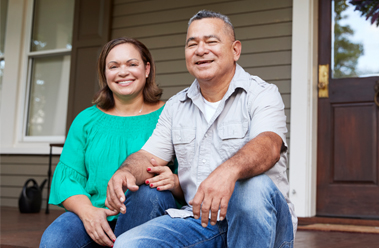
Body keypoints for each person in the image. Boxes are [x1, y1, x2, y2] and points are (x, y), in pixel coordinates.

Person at [107, 10, 297, 247]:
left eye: (211, 41)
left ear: (235, 50)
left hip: (262, 224)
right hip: (201, 222)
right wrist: (125, 171)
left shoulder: (262, 94)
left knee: (252, 186)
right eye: (192, 44)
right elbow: (148, 157)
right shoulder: (177, 106)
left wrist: (228, 171)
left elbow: (269, 144)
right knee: (129, 244)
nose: (200, 50)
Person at [40, 37, 183, 248]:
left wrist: (175, 182)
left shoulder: (172, 115)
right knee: (55, 240)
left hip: (150, 213)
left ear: (146, 69)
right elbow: (67, 180)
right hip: (97, 211)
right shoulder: (86, 120)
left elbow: (192, 179)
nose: (123, 72)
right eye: (113, 66)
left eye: (132, 64)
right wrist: (88, 212)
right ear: (105, 74)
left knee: (148, 194)